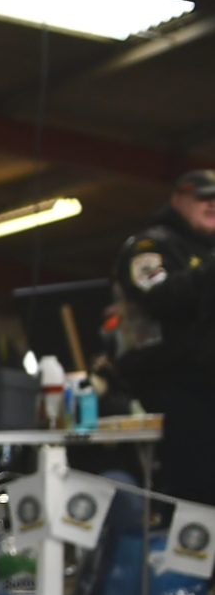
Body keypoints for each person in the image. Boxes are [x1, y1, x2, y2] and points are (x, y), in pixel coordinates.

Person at [109, 168, 215, 503]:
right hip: (173, 387)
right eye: (203, 197)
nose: (212, 204)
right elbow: (159, 296)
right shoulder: (150, 245)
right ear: (177, 199)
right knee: (197, 491)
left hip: (206, 384)